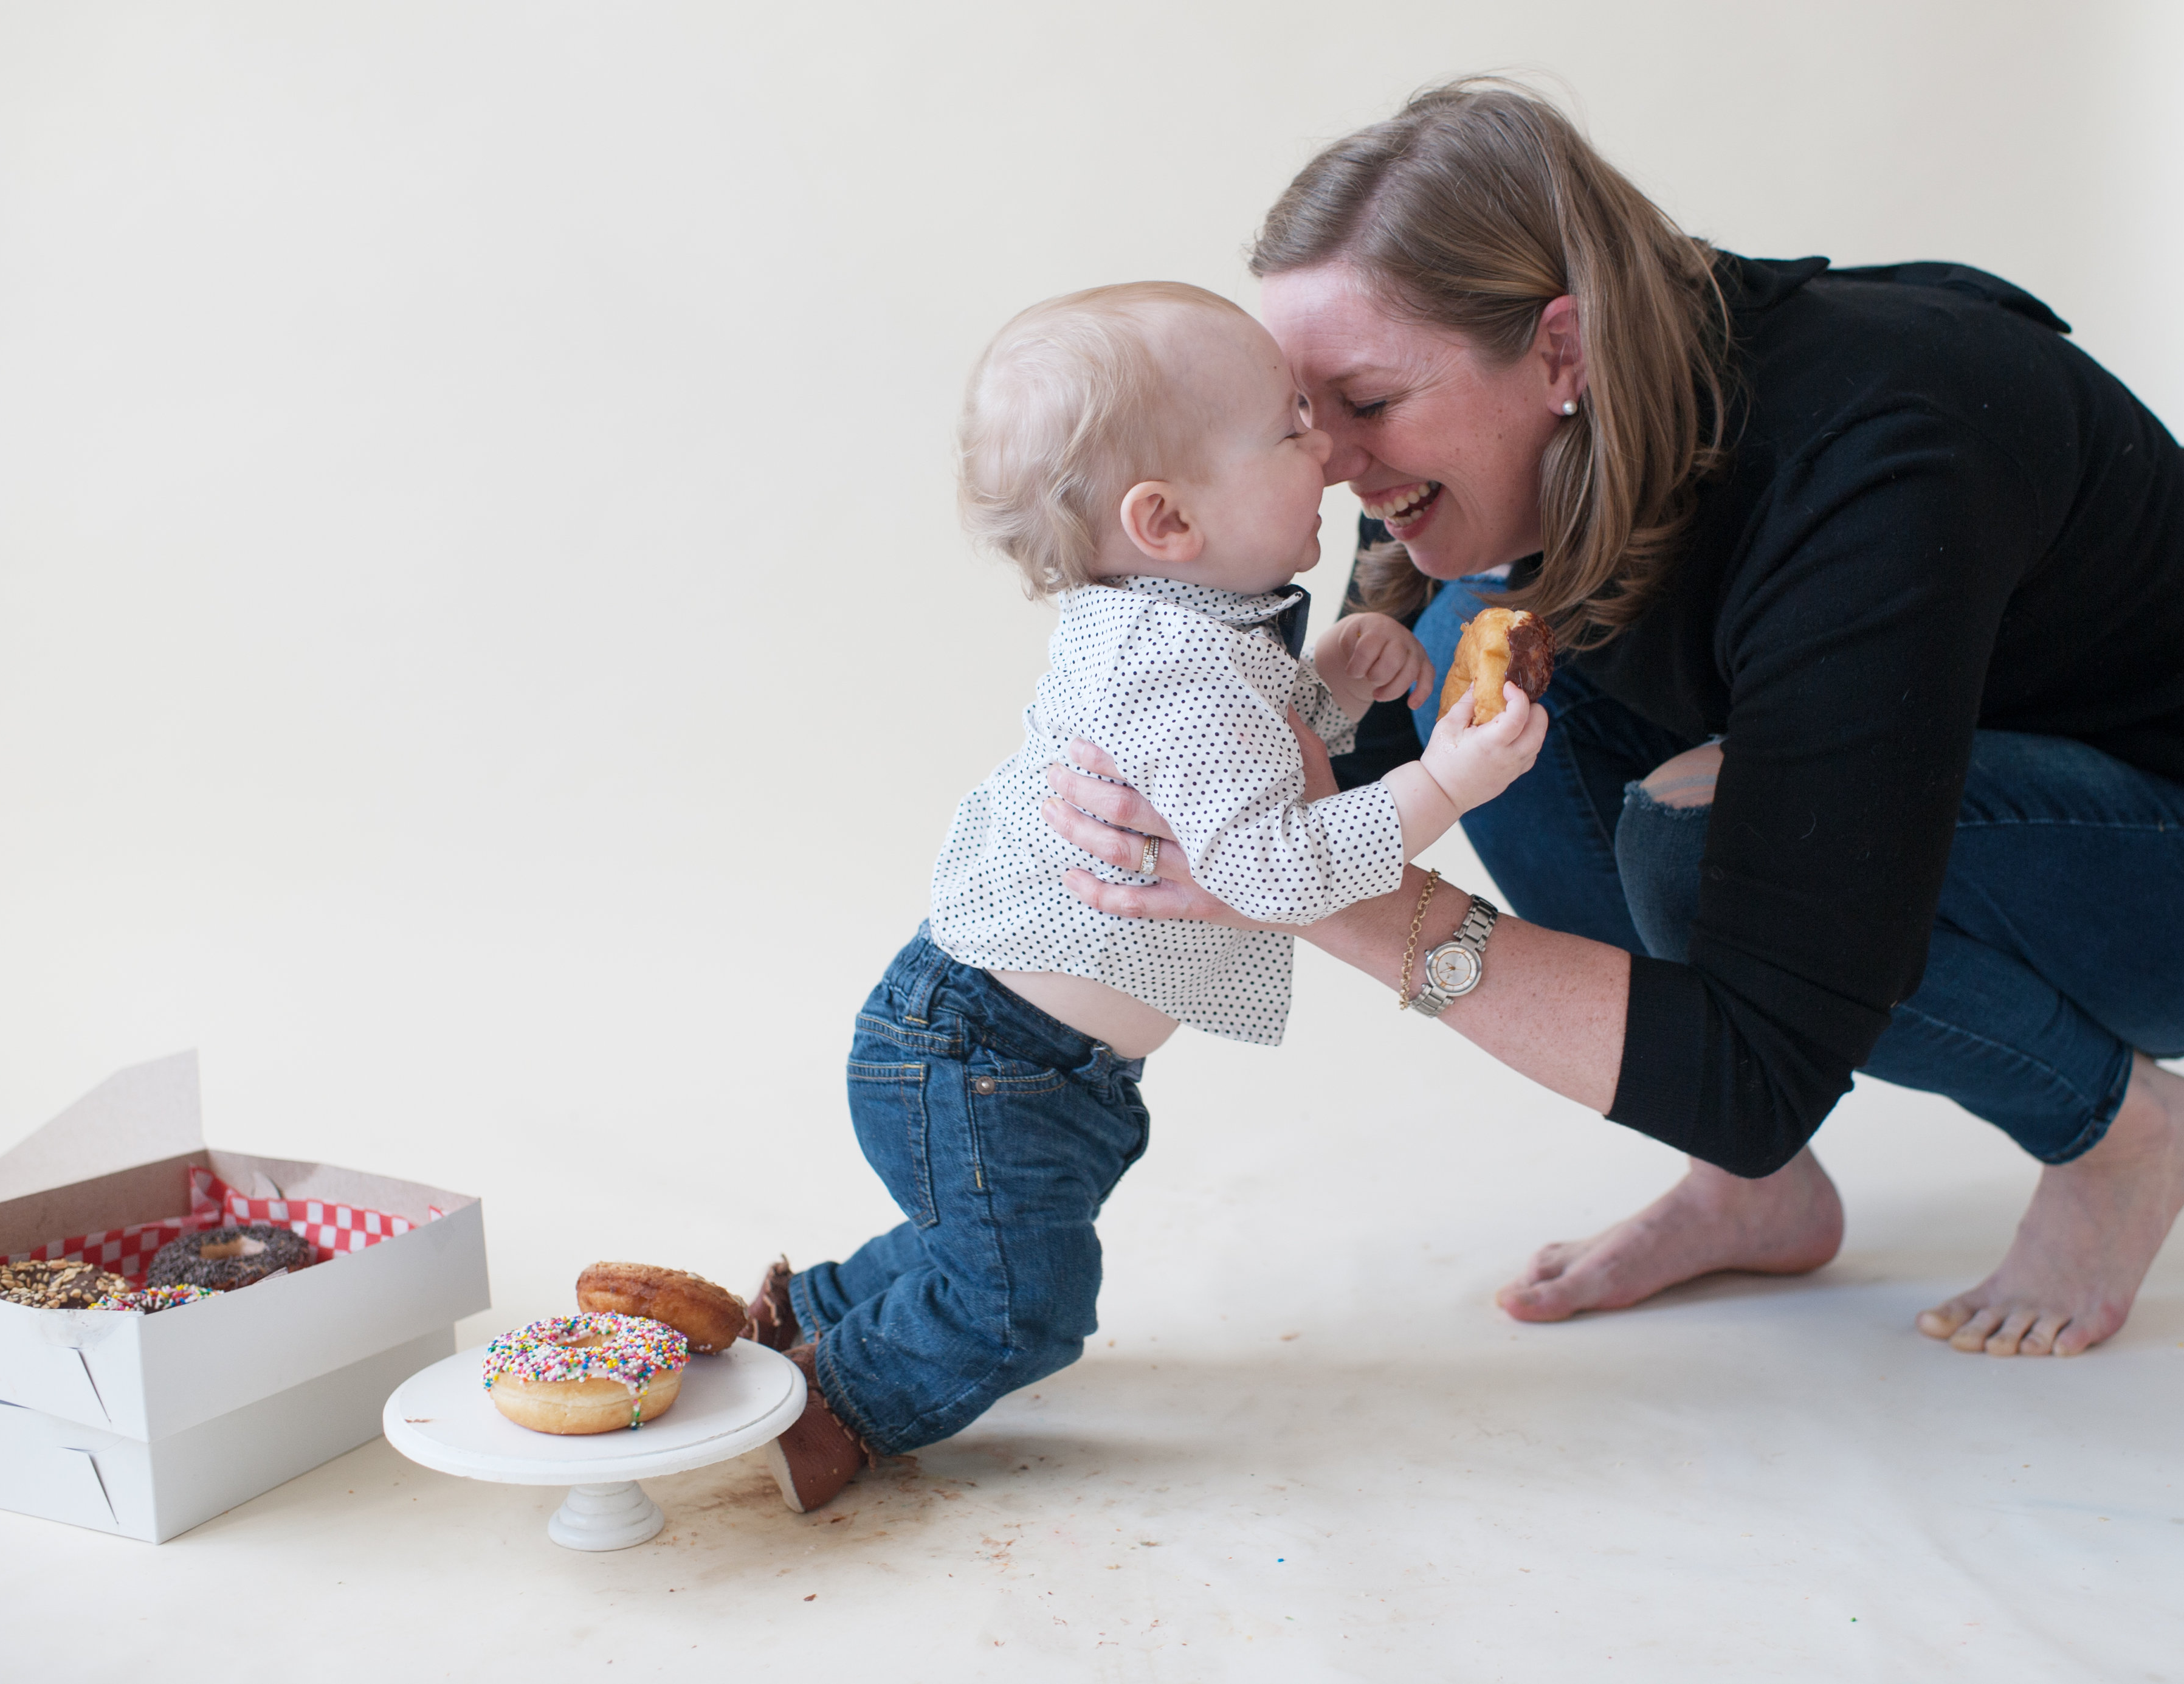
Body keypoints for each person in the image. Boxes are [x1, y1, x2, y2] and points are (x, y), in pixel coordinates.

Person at [1044, 79, 2184, 1362]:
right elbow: (1361, 763)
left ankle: (2121, 1132)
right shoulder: (1488, 426)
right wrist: (1197, 786)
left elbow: (1762, 1072)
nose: (1330, 464)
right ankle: (1756, 1197)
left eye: (1364, 404)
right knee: (1460, 660)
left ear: (1561, 350)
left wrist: (1304, 888)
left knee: (1689, 841)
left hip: (2152, 860)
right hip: (1970, 776)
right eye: (1303, 418)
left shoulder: (1875, 465)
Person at [751, 281, 1545, 1513]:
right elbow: (1267, 866)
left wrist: (1325, 686)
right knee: (1026, 1301)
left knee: (986, 1245)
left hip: (1013, 1058)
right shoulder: (1175, 667)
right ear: (1166, 517)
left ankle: (800, 1315)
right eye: (1291, 429)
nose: (1330, 449)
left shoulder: (1182, 626)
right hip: (985, 1061)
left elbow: (1231, 768)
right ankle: (825, 1409)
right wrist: (1443, 781)